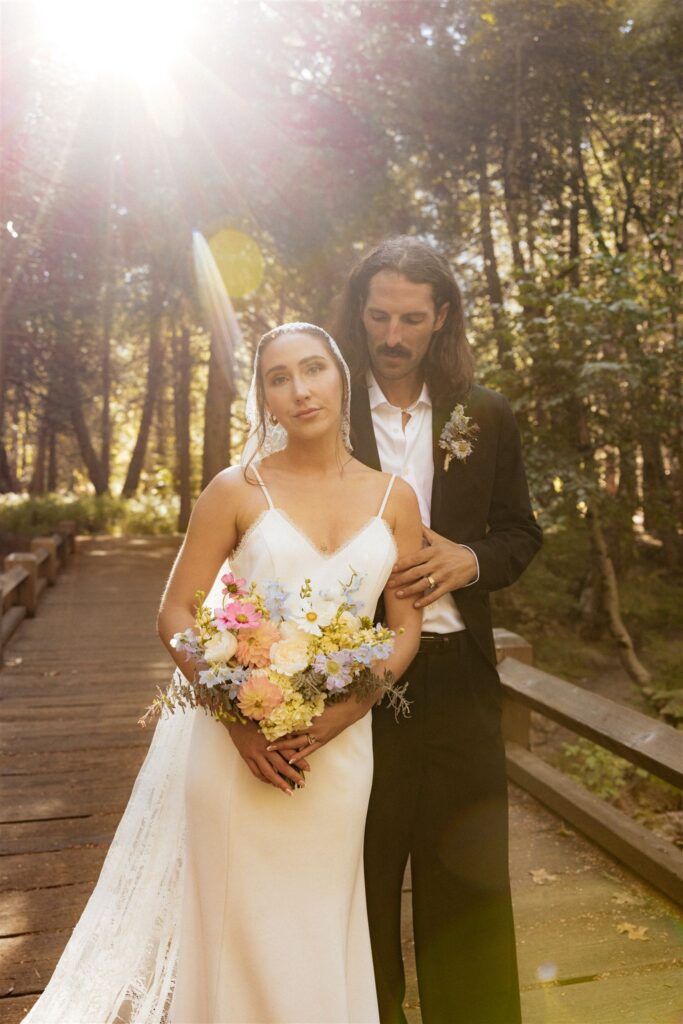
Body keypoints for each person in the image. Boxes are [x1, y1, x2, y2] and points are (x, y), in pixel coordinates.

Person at [23, 323, 423, 1024]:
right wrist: (236, 719)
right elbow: (176, 611)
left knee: (320, 924)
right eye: (278, 378)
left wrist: (348, 711)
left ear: (341, 376)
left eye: (313, 369)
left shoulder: (396, 498)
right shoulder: (235, 489)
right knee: (239, 932)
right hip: (237, 746)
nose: (300, 390)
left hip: (338, 749)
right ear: (263, 399)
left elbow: (404, 626)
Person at [335, 237, 543, 1024]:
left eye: (411, 319)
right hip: (354, 676)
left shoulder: (483, 413)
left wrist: (469, 560)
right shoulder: (325, 409)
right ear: (358, 312)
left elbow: (520, 534)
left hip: (460, 675)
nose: (392, 336)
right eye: (378, 316)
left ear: (442, 317)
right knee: (356, 881)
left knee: (469, 884)